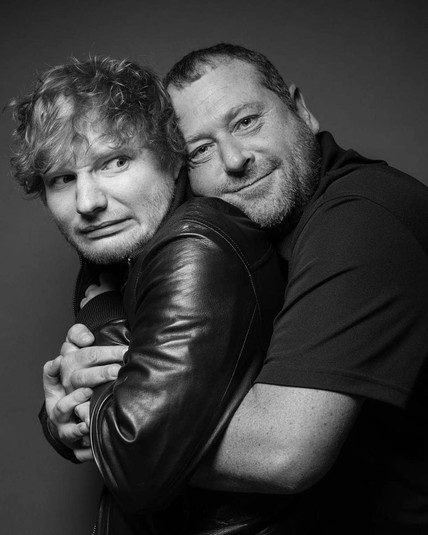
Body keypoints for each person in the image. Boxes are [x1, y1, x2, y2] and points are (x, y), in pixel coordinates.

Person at [63, 44, 428, 534]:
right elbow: (114, 238)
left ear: (300, 109)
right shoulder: (240, 226)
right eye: (200, 150)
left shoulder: (364, 218)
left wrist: (96, 411)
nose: (234, 160)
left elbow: (281, 454)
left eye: (246, 122)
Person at [9, 56, 286, 534]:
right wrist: (59, 420)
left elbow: (136, 465)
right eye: (63, 179)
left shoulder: (195, 246)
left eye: (115, 162)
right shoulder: (120, 256)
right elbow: (126, 411)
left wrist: (102, 314)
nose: (88, 203)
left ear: (172, 156)